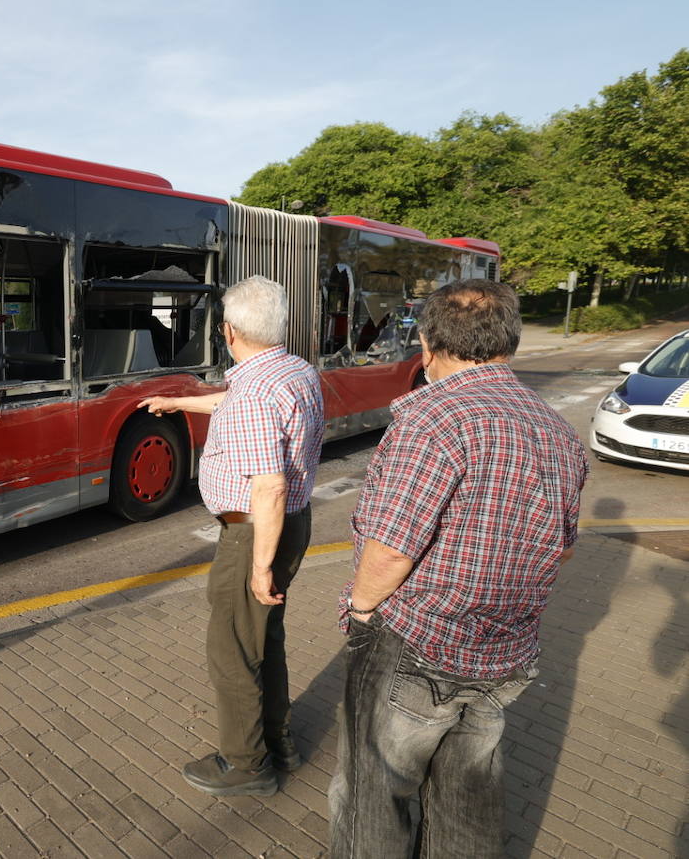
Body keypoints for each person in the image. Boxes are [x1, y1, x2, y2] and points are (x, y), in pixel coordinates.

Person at [328, 279, 588, 859]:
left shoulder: (430, 420)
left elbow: (392, 550)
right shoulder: (558, 432)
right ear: (510, 342)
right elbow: (562, 549)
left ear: (427, 342)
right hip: (506, 650)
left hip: (416, 643)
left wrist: (362, 609)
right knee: (467, 798)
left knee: (375, 794)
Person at [138, 275, 324, 798]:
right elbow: (235, 401)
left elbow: (267, 485)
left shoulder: (253, 394)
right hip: (293, 522)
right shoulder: (293, 372)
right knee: (267, 637)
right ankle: (278, 740)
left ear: (229, 330)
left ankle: (245, 765)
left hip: (253, 532)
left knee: (232, 649)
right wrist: (182, 403)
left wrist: (258, 567)